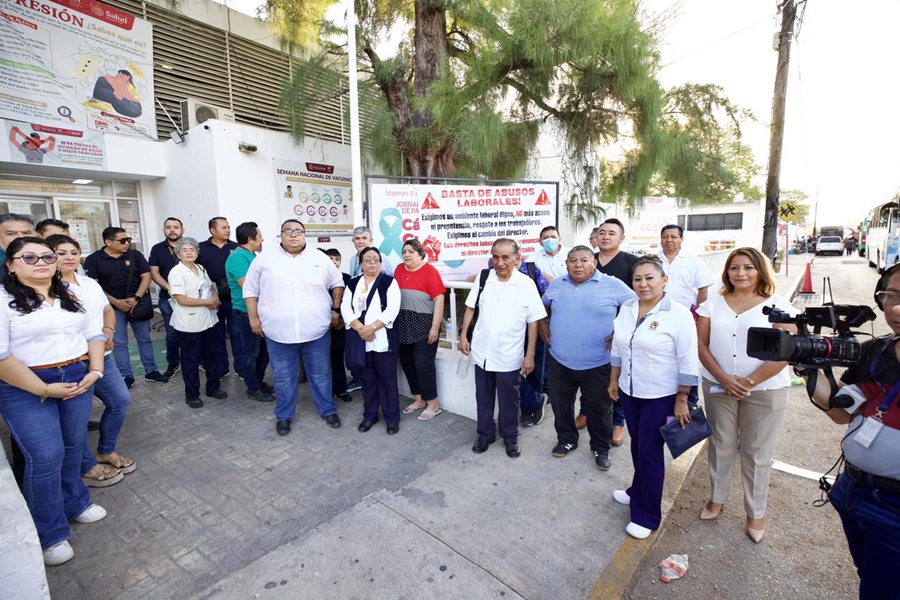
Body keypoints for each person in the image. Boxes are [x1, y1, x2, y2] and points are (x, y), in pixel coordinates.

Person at [0, 237, 107, 566]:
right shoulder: (4, 300)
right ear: (11, 265)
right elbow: (2, 356)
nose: (41, 262)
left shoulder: (71, 293)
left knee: (74, 445)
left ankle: (76, 502)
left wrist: (96, 370)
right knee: (46, 455)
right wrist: (44, 390)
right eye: (28, 257)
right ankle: (50, 532)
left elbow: (94, 333)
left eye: (46, 256)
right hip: (24, 383)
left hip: (78, 374)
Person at [804, 263, 900, 599]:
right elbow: (840, 413)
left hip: (894, 507)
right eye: (892, 296)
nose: (897, 308)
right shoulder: (876, 350)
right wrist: (809, 367)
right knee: (870, 577)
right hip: (852, 489)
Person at [696, 247, 796, 543]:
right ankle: (717, 498)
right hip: (718, 385)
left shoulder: (779, 305)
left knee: (756, 452)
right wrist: (725, 379)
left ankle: (756, 513)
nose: (741, 273)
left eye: (749, 268)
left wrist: (749, 381)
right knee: (720, 444)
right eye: (734, 267)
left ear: (760, 272)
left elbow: (786, 351)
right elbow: (701, 345)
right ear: (726, 272)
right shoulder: (712, 305)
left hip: (766, 390)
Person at [608, 254, 699, 539]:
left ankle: (646, 515)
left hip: (661, 395)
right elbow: (619, 348)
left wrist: (682, 398)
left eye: (649, 278)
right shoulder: (627, 307)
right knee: (638, 447)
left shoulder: (678, 313)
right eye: (637, 279)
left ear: (664, 280)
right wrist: (614, 380)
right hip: (630, 390)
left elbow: (688, 360)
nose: (643, 284)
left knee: (649, 452)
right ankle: (638, 490)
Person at [243, 219, 344, 436]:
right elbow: (250, 290)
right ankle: (284, 416)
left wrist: (335, 309)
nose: (293, 235)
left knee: (321, 374)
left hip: (316, 331)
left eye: (298, 231)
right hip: (278, 333)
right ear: (281, 235)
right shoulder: (264, 260)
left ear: (305, 235)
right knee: (282, 377)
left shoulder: (319, 258)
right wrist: (253, 317)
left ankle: (327, 410)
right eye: (288, 231)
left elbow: (337, 283)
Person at [539, 245, 635, 470]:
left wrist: (621, 332)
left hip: (598, 363)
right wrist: (543, 322)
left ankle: (601, 448)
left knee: (600, 409)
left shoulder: (613, 285)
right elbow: (543, 305)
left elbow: (638, 306)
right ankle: (567, 440)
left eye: (584, 260)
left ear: (594, 263)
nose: (578, 265)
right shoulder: (557, 285)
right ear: (566, 264)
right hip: (560, 359)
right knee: (562, 406)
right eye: (573, 260)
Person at [49, 235, 134, 487]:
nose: (69, 257)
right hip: (74, 362)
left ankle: (106, 449)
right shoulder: (48, 289)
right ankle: (85, 466)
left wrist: (108, 331)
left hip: (103, 357)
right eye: (61, 253)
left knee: (120, 400)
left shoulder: (89, 284)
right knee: (76, 419)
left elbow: (107, 310)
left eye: (73, 252)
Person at [459, 238, 546, 458]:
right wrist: (462, 336)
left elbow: (533, 321)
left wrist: (530, 354)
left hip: (508, 354)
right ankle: (486, 434)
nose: (500, 262)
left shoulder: (526, 284)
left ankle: (510, 437)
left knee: (510, 399)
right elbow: (470, 308)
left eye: (506, 257)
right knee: (483, 397)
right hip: (481, 352)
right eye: (495, 257)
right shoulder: (484, 277)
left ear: (517, 258)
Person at [84, 227, 168, 389]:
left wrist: (136, 298)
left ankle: (151, 371)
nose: (127, 243)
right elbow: (93, 286)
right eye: (122, 240)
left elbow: (146, 276)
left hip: (137, 304)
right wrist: (116, 302)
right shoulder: (94, 260)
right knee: (119, 342)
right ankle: (125, 375)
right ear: (108, 242)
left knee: (145, 339)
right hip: (111, 308)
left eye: (128, 239)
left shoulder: (135, 255)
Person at [342, 247, 402, 434]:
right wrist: (361, 329)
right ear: (360, 263)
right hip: (362, 340)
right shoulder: (353, 284)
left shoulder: (389, 282)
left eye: (376, 259)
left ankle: (392, 419)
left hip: (382, 339)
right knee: (367, 381)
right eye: (367, 259)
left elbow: (392, 309)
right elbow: (346, 307)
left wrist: (372, 327)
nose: (372, 263)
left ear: (380, 262)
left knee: (388, 381)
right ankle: (370, 416)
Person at [657, 224, 715, 410]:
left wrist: (699, 316)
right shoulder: (652, 260)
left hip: (686, 317)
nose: (669, 240)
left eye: (674, 236)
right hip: (657, 316)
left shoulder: (693, 261)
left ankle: (689, 401)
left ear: (681, 239)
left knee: (687, 357)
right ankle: (663, 396)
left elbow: (703, 289)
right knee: (663, 355)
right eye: (665, 236)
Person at [594, 218, 639, 446]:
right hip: (591, 334)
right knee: (591, 378)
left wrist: (623, 330)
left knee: (618, 377)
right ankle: (586, 412)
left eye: (612, 233)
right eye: (602, 232)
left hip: (620, 333)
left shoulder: (631, 262)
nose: (606, 236)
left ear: (621, 238)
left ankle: (618, 423)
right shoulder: (587, 260)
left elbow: (640, 298)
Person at [167, 237, 226, 408]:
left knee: (211, 355)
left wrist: (215, 298)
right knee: (190, 359)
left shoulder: (200, 268)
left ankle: (213, 388)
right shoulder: (176, 272)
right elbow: (181, 299)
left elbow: (211, 286)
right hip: (188, 322)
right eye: (184, 250)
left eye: (192, 250)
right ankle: (192, 394)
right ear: (178, 254)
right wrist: (209, 302)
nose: (189, 253)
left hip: (208, 319)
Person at [394, 239, 445, 421]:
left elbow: (439, 300)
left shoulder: (430, 271)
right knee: (407, 363)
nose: (407, 255)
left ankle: (433, 403)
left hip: (424, 324)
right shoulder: (399, 269)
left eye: (411, 252)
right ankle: (419, 400)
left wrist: (435, 327)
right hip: (403, 323)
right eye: (404, 252)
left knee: (423, 365)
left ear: (420, 254)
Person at [225, 222, 274, 402]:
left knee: (263, 351)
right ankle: (252, 387)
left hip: (260, 310)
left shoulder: (251, 255)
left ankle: (258, 381)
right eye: (259, 235)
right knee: (251, 352)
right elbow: (248, 285)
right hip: (245, 311)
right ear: (250, 238)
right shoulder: (238, 257)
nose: (262, 239)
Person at [346, 226, 393, 392]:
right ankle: (359, 379)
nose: (360, 242)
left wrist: (373, 325)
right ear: (353, 241)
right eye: (357, 239)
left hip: (378, 316)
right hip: (360, 313)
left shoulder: (381, 258)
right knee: (359, 348)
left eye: (364, 238)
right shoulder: (353, 259)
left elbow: (389, 283)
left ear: (371, 240)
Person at [197, 217, 242, 379]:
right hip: (212, 300)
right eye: (224, 227)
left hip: (234, 299)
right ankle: (222, 367)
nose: (228, 230)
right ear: (212, 230)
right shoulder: (201, 248)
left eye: (229, 227)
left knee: (237, 333)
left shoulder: (236, 247)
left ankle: (241, 366)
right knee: (217, 334)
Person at [149, 217, 185, 379]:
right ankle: (173, 362)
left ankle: (197, 360)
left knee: (194, 329)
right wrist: (171, 289)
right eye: (168, 227)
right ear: (164, 230)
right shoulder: (157, 249)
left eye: (176, 227)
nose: (172, 230)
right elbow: (154, 273)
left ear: (182, 230)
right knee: (172, 332)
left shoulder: (190, 246)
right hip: (167, 297)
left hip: (191, 298)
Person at [322, 248, 353, 403]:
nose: (334, 262)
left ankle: (341, 389)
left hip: (340, 326)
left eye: (337, 259)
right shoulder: (319, 278)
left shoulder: (347, 278)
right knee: (321, 360)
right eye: (330, 259)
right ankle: (326, 392)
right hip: (321, 326)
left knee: (337, 358)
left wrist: (342, 319)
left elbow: (349, 302)